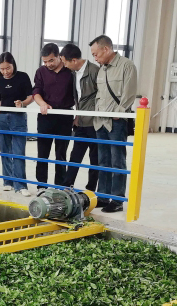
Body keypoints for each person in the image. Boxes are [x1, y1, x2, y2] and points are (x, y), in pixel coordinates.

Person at [89, 35, 137, 213]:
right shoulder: (102, 69)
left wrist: (119, 112)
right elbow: (99, 95)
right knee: (103, 161)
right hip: (100, 122)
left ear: (106, 49)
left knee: (117, 161)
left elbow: (129, 93)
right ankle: (103, 196)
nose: (95, 58)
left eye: (96, 54)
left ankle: (117, 200)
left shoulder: (126, 66)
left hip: (116, 122)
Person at [32, 43, 75, 189]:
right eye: (45, 61)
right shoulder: (41, 72)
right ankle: (41, 186)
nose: (48, 64)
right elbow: (36, 92)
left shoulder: (70, 71)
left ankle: (60, 187)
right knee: (42, 153)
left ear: (59, 56)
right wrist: (42, 103)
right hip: (46, 116)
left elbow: (78, 94)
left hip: (65, 116)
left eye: (51, 60)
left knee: (61, 154)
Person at [59, 43, 100, 192]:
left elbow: (101, 97)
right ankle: (67, 186)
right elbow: (79, 98)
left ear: (74, 60)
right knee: (75, 155)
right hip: (81, 122)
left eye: (65, 62)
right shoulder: (73, 74)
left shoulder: (95, 71)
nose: (64, 65)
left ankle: (90, 190)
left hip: (94, 123)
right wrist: (77, 115)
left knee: (95, 158)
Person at [0, 52, 33, 196]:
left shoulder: (23, 77)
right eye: (2, 69)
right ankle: (7, 182)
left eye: (8, 68)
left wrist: (22, 103)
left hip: (18, 118)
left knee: (18, 152)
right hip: (3, 118)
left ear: (13, 65)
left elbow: (31, 96)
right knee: (5, 151)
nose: (5, 72)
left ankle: (21, 185)